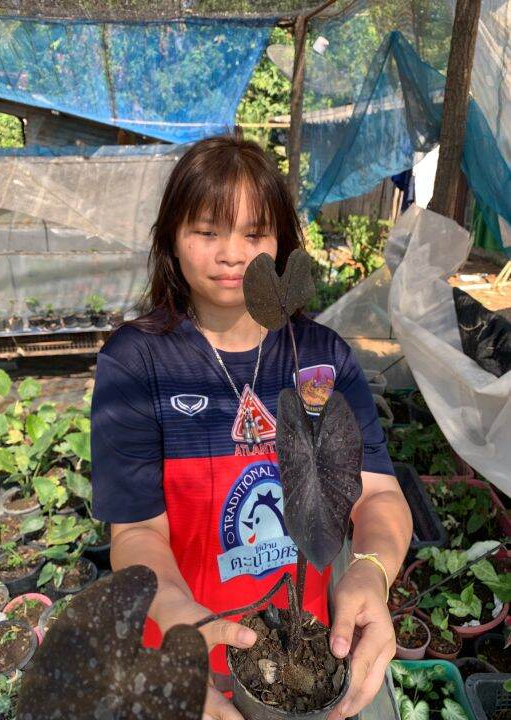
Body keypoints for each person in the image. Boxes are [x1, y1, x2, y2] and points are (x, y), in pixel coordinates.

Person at [91, 131, 413, 720]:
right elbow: (136, 533)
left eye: (255, 233)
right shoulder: (137, 363)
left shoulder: (320, 358)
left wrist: (370, 571)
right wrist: (176, 620)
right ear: (171, 239)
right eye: (208, 231)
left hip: (302, 643)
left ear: (281, 243)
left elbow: (380, 494)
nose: (233, 254)